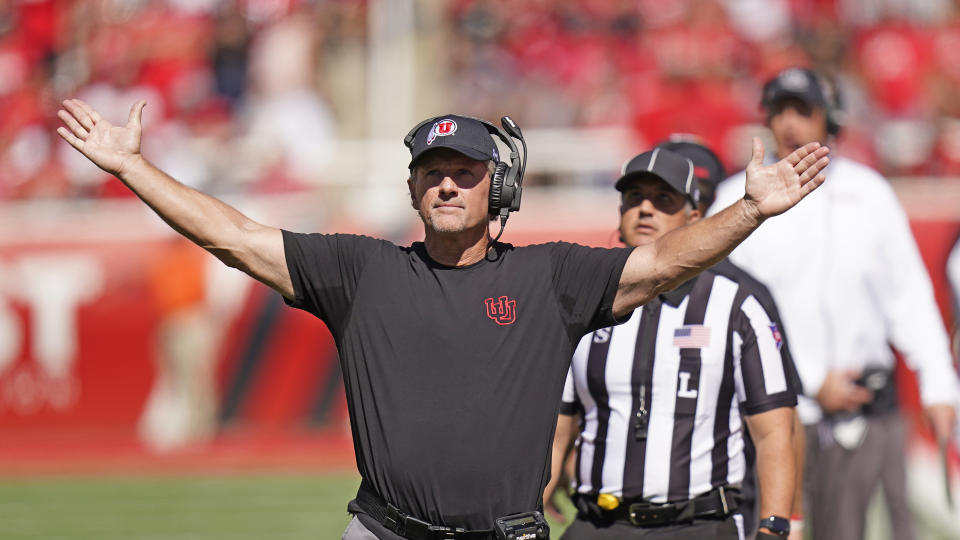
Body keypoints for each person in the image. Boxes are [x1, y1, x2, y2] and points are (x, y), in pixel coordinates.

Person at [56, 98, 830, 540]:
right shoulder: (360, 271)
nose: (449, 186)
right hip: (386, 531)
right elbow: (232, 236)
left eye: (466, 173)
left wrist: (751, 210)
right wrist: (131, 167)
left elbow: (666, 263)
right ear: (413, 190)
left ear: (499, 190)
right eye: (433, 175)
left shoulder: (548, 275)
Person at [711, 67, 959, 540]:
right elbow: (728, 316)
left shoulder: (869, 195)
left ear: (832, 119)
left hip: (864, 414)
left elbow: (908, 297)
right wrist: (807, 380)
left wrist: (938, 386)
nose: (789, 123)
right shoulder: (734, 201)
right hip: (772, 418)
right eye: (779, 110)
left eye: (803, 110)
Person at [543, 146, 800, 540]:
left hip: (698, 524)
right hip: (599, 523)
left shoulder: (736, 306)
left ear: (694, 216)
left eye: (663, 199)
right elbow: (559, 426)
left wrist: (775, 525)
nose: (645, 209)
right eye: (634, 198)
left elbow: (775, 431)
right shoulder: (581, 307)